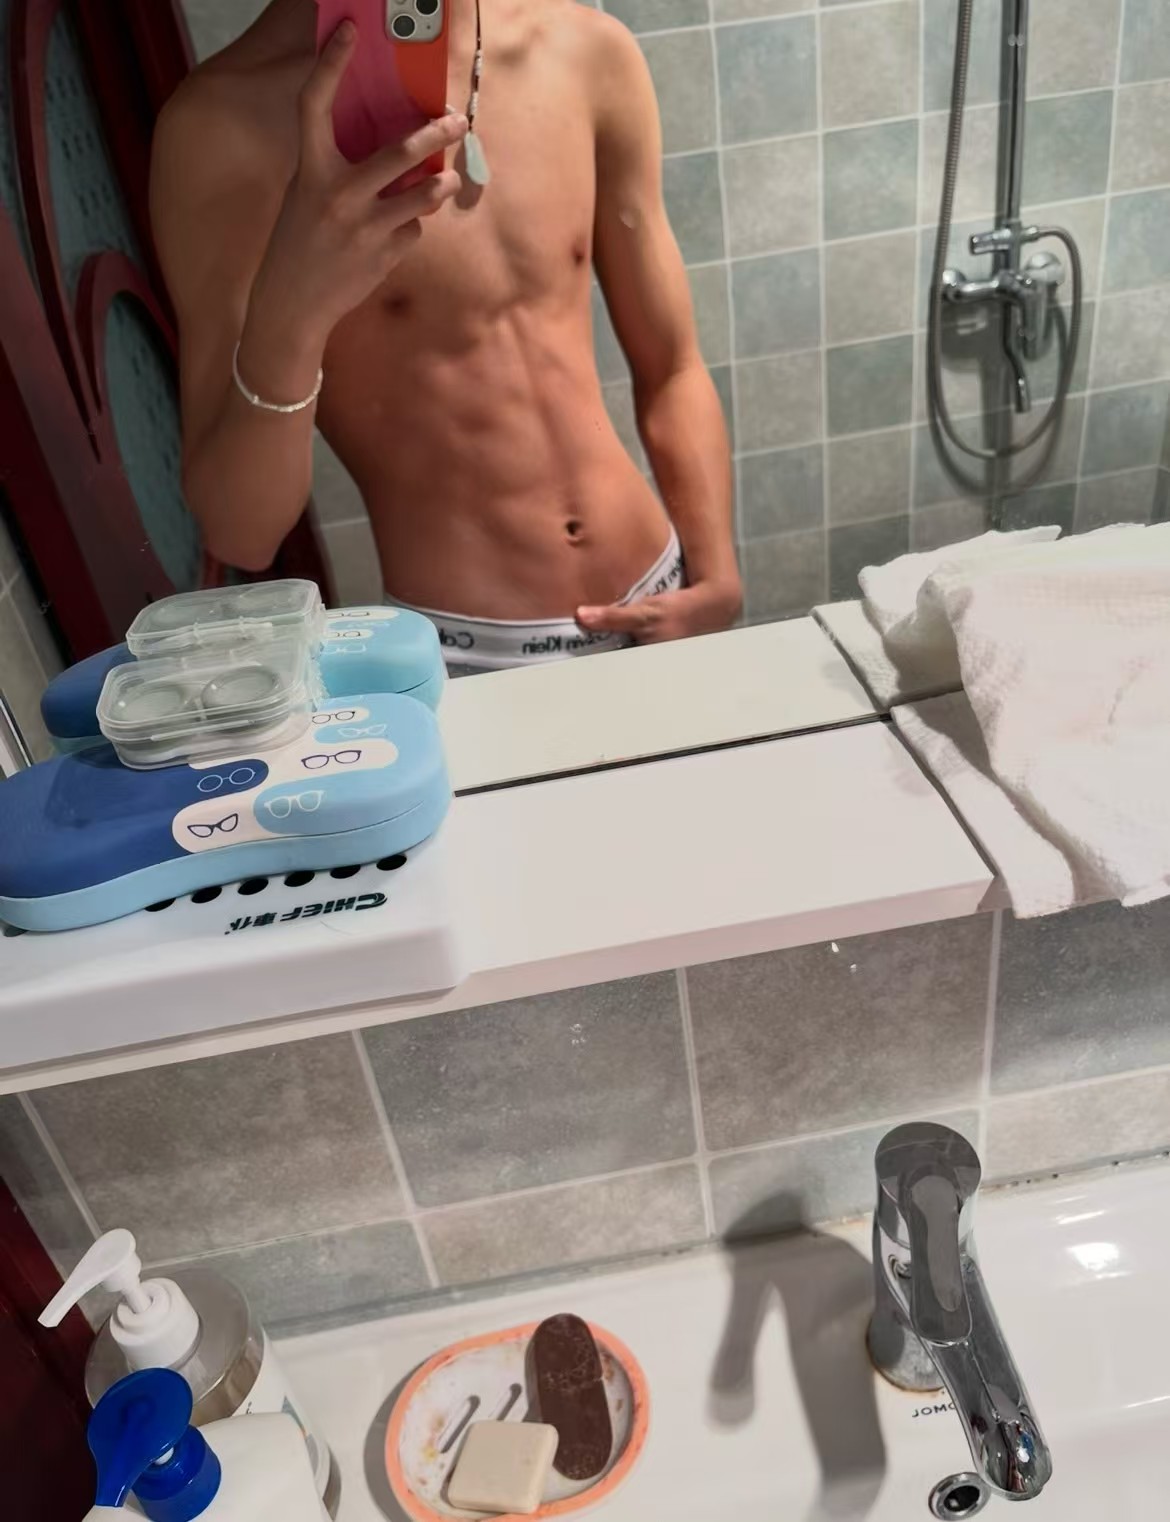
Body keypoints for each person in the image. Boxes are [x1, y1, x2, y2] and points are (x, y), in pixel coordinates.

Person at [151, 0, 740, 672]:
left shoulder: (585, 49)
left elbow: (673, 366)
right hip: (474, 653)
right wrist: (292, 309)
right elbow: (241, 534)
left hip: (665, 594)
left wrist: (716, 575)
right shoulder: (222, 129)